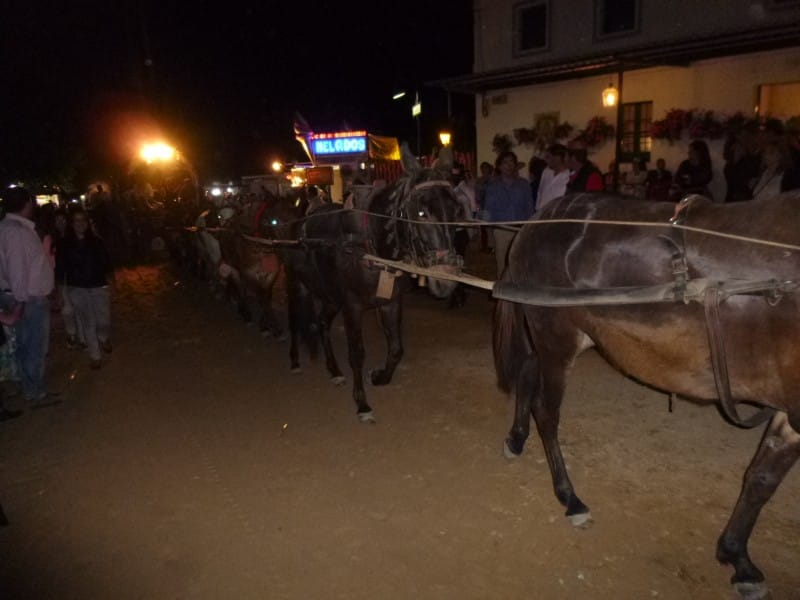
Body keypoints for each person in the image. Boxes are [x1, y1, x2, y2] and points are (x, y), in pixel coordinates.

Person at [0, 187, 55, 404]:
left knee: (25, 345)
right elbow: (17, 269)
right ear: (27, 204)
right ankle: (35, 392)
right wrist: (21, 300)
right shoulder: (16, 231)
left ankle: (30, 388)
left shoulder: (7, 228)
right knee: (34, 346)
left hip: (19, 295)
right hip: (27, 298)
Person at [55, 209, 114, 370]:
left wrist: (110, 283)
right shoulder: (64, 244)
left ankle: (103, 337)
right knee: (87, 321)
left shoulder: (96, 242)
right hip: (77, 287)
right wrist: (60, 291)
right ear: (71, 224)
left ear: (87, 223)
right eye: (76, 220)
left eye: (82, 220)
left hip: (98, 285)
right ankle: (95, 355)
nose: (79, 223)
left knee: (103, 320)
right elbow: (60, 269)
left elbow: (107, 264)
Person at [483, 150, 534, 276]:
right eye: (505, 162)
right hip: (501, 230)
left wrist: (529, 228)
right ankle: (502, 291)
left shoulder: (523, 184)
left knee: (520, 262)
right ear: (499, 166)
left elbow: (529, 208)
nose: (509, 165)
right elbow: (488, 210)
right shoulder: (493, 186)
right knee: (502, 264)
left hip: (520, 230)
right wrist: (489, 232)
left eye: (511, 162)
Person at [448, 163, 476, 308]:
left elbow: (470, 214)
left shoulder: (463, 193)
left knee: (459, 263)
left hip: (460, 234)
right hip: (448, 234)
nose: (454, 178)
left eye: (456, 176)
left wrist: (471, 233)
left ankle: (459, 292)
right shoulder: (445, 192)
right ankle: (455, 292)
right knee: (450, 263)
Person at [723, 136, 760, 202]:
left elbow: (750, 182)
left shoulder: (750, 162)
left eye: (740, 146)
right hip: (732, 199)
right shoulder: (728, 166)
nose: (738, 148)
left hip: (744, 200)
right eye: (735, 148)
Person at [535, 143, 570, 212]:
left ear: (557, 158)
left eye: (548, 157)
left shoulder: (568, 175)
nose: (545, 160)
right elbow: (540, 192)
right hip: (541, 212)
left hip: (556, 214)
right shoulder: (546, 171)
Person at [474, 161, 494, 253]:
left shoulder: (494, 180)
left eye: (486, 168)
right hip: (483, 206)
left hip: (493, 206)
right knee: (483, 228)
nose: (484, 170)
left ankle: (491, 246)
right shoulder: (479, 181)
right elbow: (477, 195)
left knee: (491, 228)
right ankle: (485, 246)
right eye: (483, 168)